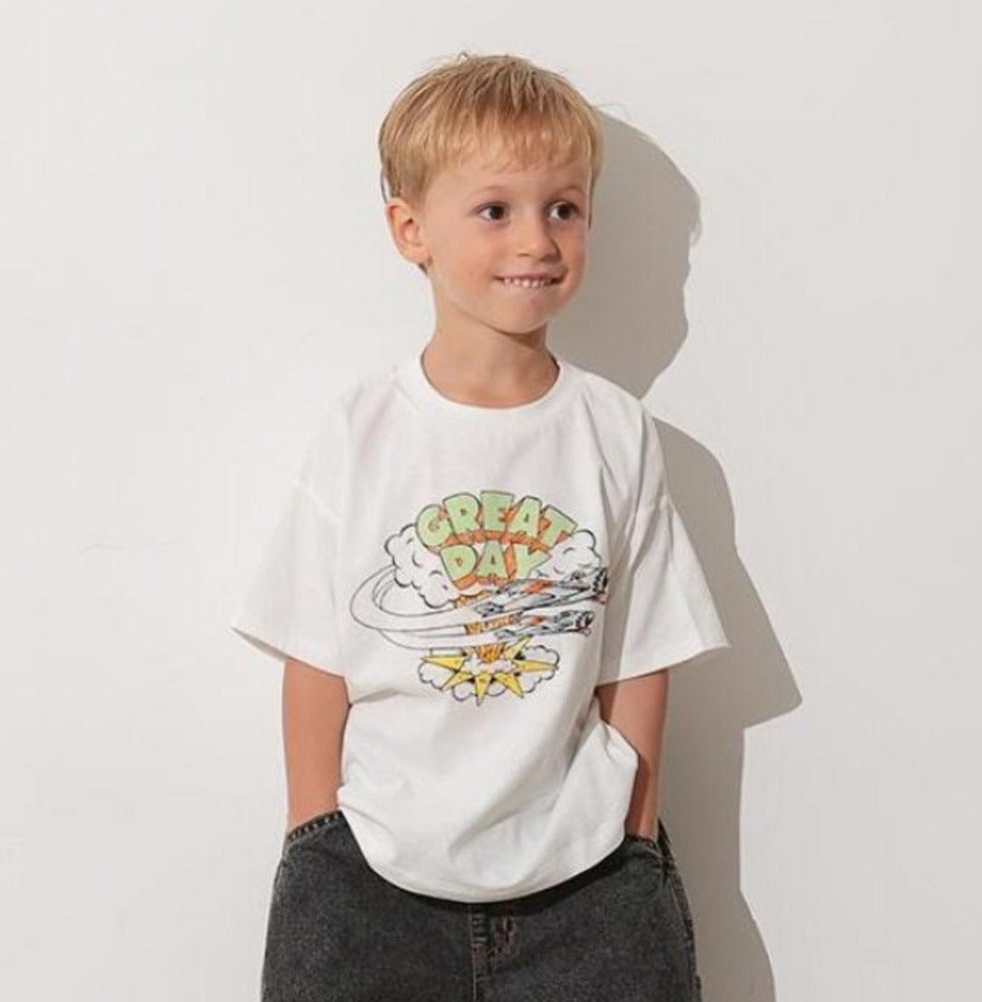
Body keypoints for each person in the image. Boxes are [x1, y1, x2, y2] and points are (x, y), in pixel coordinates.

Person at [231, 51, 730, 1002]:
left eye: (564, 208)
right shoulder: (362, 432)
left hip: (587, 883)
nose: (536, 239)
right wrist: (314, 838)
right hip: (373, 878)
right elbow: (315, 653)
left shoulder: (613, 430)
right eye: (495, 210)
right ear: (410, 230)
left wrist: (635, 836)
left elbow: (640, 653)